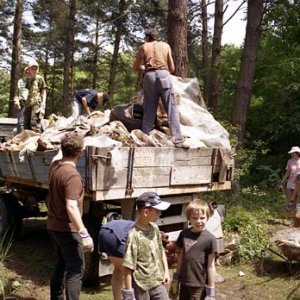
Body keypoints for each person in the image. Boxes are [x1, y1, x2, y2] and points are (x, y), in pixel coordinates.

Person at [47, 132, 94, 300]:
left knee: (61, 263)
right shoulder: (72, 176)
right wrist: (84, 233)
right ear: (80, 152)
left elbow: (57, 156)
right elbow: (71, 206)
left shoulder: (55, 167)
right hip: (68, 229)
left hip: (53, 226)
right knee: (76, 269)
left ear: (62, 149)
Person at [133, 27, 188, 148]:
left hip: (150, 77)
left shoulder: (144, 47)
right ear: (157, 36)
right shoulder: (166, 46)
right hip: (164, 76)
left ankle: (145, 138)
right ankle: (178, 139)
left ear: (147, 37)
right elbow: (172, 68)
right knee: (171, 107)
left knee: (149, 109)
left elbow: (136, 67)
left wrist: (144, 68)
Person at [122, 192, 171, 300]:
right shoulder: (133, 235)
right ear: (145, 212)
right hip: (141, 285)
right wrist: (129, 293)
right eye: (157, 211)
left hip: (157, 281)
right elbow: (128, 266)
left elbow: (161, 250)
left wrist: (166, 272)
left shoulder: (155, 228)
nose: (159, 215)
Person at [170, 199, 217, 300]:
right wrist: (176, 279)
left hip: (199, 285)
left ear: (207, 217)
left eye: (202, 218)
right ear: (189, 219)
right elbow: (181, 257)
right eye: (194, 218)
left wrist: (211, 292)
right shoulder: (184, 234)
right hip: (184, 282)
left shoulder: (210, 239)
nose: (199, 221)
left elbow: (211, 266)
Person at [98, 218, 135, 300]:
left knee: (118, 269)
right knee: (129, 270)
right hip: (116, 234)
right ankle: (130, 297)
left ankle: (117, 298)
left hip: (105, 230)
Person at [23, 59, 47, 133]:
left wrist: (43, 106)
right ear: (28, 69)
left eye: (36, 68)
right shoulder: (28, 79)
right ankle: (27, 142)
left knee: (35, 124)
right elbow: (27, 92)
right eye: (32, 68)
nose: (34, 70)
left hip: (36, 104)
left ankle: (36, 142)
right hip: (28, 104)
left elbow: (44, 92)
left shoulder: (40, 78)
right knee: (26, 125)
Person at [282, 146, 300, 210]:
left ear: (297, 153)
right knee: (290, 204)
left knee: (297, 205)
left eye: (293, 153)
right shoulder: (290, 161)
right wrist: (282, 182)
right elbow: (287, 172)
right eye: (291, 153)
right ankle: (292, 218)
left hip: (298, 185)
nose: (291, 154)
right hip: (290, 183)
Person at [13, 66, 31, 133]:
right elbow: (17, 93)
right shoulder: (21, 81)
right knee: (20, 122)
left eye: (29, 71)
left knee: (30, 122)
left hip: (31, 103)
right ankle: (19, 137)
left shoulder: (34, 80)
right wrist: (16, 100)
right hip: (22, 102)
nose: (28, 73)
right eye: (26, 71)